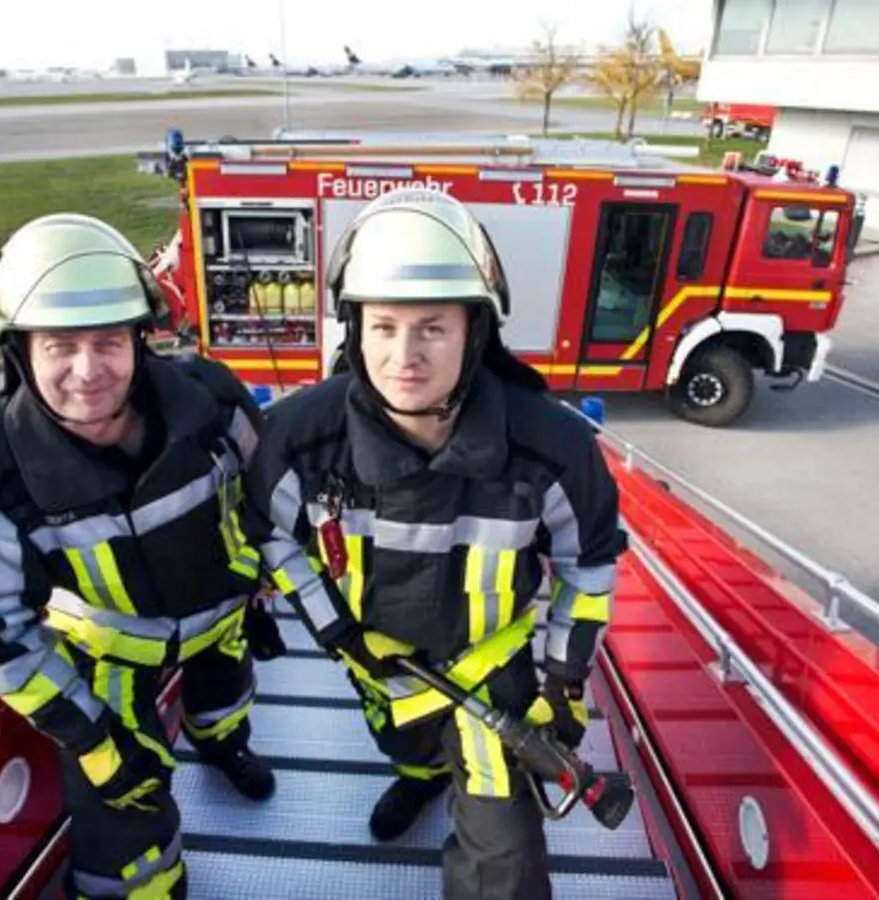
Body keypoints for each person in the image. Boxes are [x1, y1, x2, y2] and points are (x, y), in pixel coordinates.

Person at [242, 189, 627, 899]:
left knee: (505, 867)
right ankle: (420, 777)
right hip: (377, 663)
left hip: (494, 676)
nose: (405, 357)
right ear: (353, 329)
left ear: (475, 330)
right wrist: (337, 632)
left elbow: (589, 564)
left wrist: (563, 682)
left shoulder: (554, 446)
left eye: (432, 328)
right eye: (383, 326)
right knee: (407, 747)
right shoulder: (298, 439)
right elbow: (269, 537)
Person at [0, 212, 284, 899]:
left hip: (222, 625)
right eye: (60, 346)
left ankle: (225, 745)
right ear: (18, 350)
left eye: (108, 341)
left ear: (140, 340)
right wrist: (90, 739)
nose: (88, 371)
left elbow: (266, 503)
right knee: (123, 811)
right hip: (105, 665)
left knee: (225, 701)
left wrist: (263, 586)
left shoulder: (212, 403)